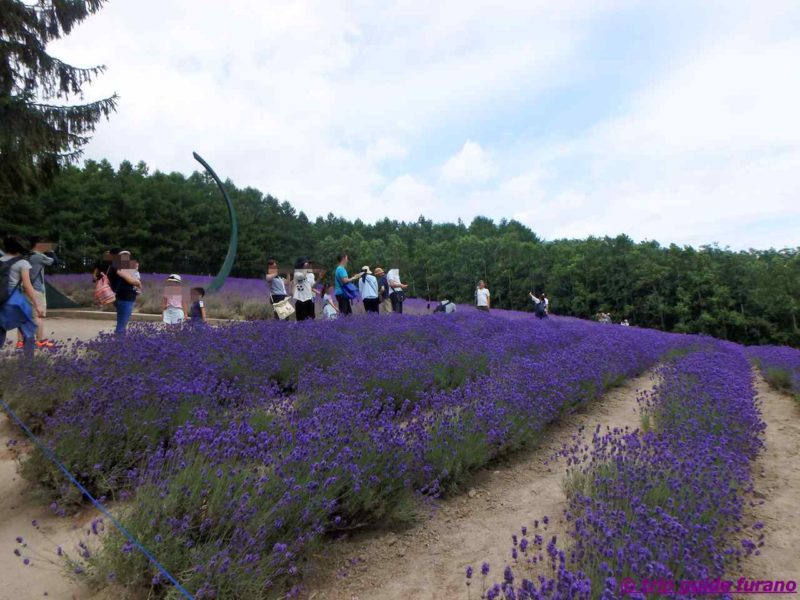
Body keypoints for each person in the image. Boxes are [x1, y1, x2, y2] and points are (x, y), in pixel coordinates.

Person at [0, 235, 45, 356]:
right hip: (14, 301)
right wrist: (37, 305)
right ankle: (29, 364)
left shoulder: (1, 259)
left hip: (1, 301)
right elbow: (27, 286)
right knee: (29, 329)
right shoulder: (22, 263)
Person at [18, 236, 56, 348]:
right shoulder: (38, 257)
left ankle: (20, 342)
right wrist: (52, 251)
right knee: (38, 317)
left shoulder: (25, 256)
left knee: (23, 316)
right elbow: (54, 262)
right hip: (37, 290)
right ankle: (39, 341)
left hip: (24, 289)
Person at [94, 248, 141, 335]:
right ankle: (118, 344)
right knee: (122, 324)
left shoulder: (112, 267)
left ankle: (118, 343)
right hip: (125, 297)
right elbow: (133, 281)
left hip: (119, 297)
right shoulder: (120, 268)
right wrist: (138, 283)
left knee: (121, 321)